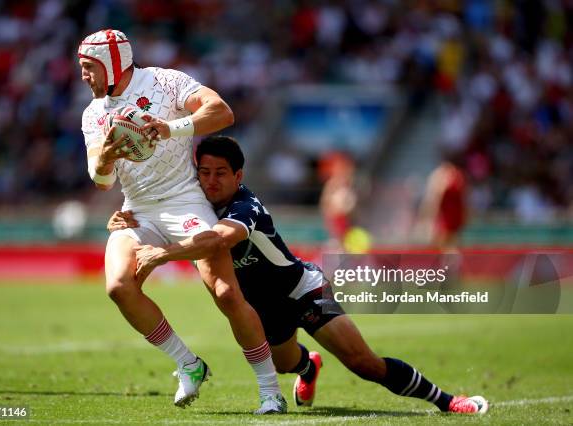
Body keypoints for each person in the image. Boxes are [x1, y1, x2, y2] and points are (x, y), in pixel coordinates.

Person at [108, 136, 489, 414]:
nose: (210, 181)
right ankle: (308, 365)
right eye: (204, 172)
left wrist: (165, 254)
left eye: (220, 173)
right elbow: (155, 212)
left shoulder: (246, 204)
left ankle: (448, 401)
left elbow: (220, 239)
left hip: (302, 291)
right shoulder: (190, 204)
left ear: (238, 174)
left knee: (363, 363)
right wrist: (129, 220)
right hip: (261, 312)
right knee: (285, 364)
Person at [78, 29, 285, 414]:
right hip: (136, 209)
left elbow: (222, 112)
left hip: (185, 202)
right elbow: (102, 179)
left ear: (112, 64)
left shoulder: (165, 82)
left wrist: (170, 127)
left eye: (89, 67)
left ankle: (270, 390)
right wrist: (105, 159)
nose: (84, 76)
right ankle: (189, 364)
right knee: (119, 287)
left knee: (226, 294)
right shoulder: (94, 113)